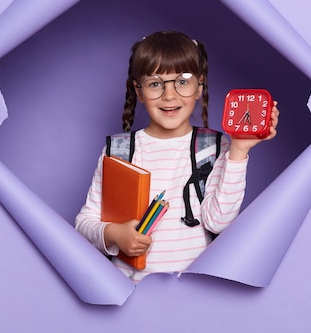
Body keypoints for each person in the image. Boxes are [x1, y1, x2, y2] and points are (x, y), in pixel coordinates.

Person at [75, 30, 279, 282]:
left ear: (199, 86)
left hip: (194, 293)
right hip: (129, 292)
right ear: (139, 91)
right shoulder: (119, 151)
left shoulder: (215, 147)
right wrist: (114, 234)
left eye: (182, 81)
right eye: (155, 83)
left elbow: (218, 223)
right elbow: (85, 222)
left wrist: (238, 151)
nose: (169, 95)